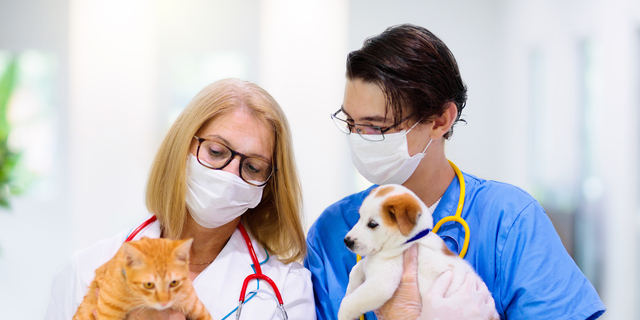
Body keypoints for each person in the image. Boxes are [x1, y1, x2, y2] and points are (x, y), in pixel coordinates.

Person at [304, 24, 605, 320]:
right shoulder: (332, 232)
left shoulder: (508, 220)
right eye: (351, 124)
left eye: (376, 126)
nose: (359, 138)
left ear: (439, 120)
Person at [46, 78, 316, 320]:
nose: (230, 175)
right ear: (182, 147)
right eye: (216, 151)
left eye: (253, 167)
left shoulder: (286, 289)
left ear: (266, 187)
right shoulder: (84, 270)